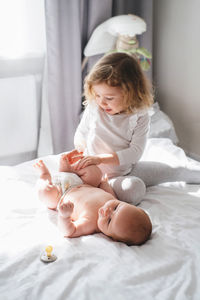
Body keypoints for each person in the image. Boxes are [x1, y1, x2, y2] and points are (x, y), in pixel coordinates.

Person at [64, 52, 200, 205]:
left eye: (109, 98)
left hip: (124, 172)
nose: (101, 102)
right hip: (91, 173)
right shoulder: (95, 107)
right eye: (97, 95)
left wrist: (100, 159)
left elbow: (135, 152)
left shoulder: (139, 116)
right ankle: (100, 188)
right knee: (63, 181)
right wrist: (81, 149)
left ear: (130, 94)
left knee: (164, 174)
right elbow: (81, 133)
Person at [34, 158, 152, 246]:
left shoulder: (90, 223)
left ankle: (44, 175)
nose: (107, 211)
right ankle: (69, 171)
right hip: (80, 181)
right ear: (123, 203)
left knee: (45, 194)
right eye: (116, 207)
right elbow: (106, 189)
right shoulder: (113, 199)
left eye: (109, 221)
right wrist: (104, 183)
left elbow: (69, 231)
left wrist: (65, 216)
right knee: (95, 172)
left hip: (61, 193)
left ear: (112, 237)